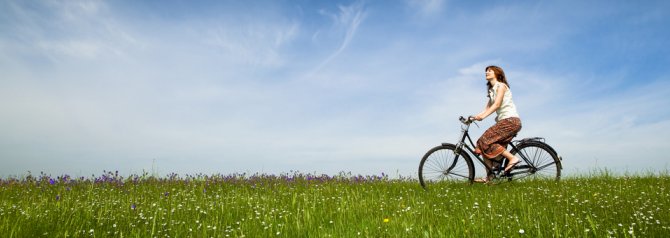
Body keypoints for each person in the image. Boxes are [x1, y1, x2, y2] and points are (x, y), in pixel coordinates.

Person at [471, 65, 522, 183]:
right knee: (482, 144)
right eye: (486, 71)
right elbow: (487, 107)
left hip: (510, 121)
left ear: (497, 73)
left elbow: (497, 104)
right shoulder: (492, 90)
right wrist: (474, 117)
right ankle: (490, 178)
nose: (486, 72)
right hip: (504, 121)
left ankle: (512, 158)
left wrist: (482, 117)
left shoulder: (502, 86)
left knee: (484, 139)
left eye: (489, 71)